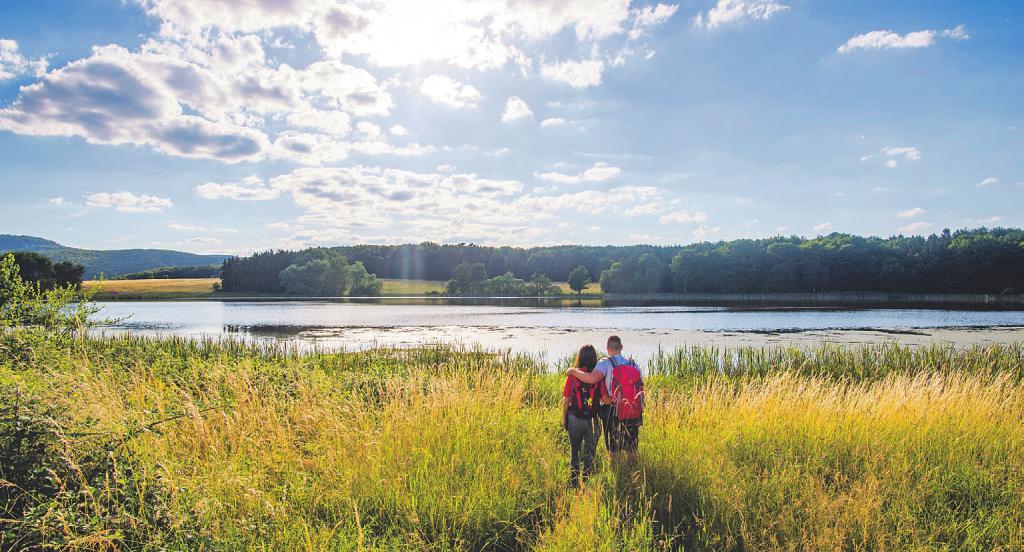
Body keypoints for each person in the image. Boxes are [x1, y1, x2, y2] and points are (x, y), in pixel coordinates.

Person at [567, 335, 642, 462]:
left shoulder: (605, 363)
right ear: (621, 347)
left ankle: (615, 474)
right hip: (632, 410)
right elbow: (640, 386)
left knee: (613, 449)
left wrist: (573, 371)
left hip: (613, 410)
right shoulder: (633, 364)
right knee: (631, 448)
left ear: (608, 349)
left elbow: (591, 378)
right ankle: (633, 473)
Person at [561, 345, 601, 487]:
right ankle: (587, 482)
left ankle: (574, 483)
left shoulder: (574, 375)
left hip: (574, 418)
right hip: (590, 419)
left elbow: (566, 400)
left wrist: (564, 418)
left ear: (580, 357)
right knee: (589, 454)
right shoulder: (597, 376)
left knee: (574, 452)